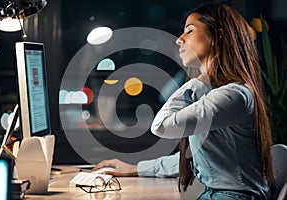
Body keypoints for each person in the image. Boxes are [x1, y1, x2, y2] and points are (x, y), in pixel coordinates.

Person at [95, 2, 275, 199]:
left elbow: (161, 126)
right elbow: (195, 158)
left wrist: (199, 79)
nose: (179, 40)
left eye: (189, 31)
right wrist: (136, 168)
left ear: (218, 37)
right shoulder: (218, 95)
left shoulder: (233, 96)